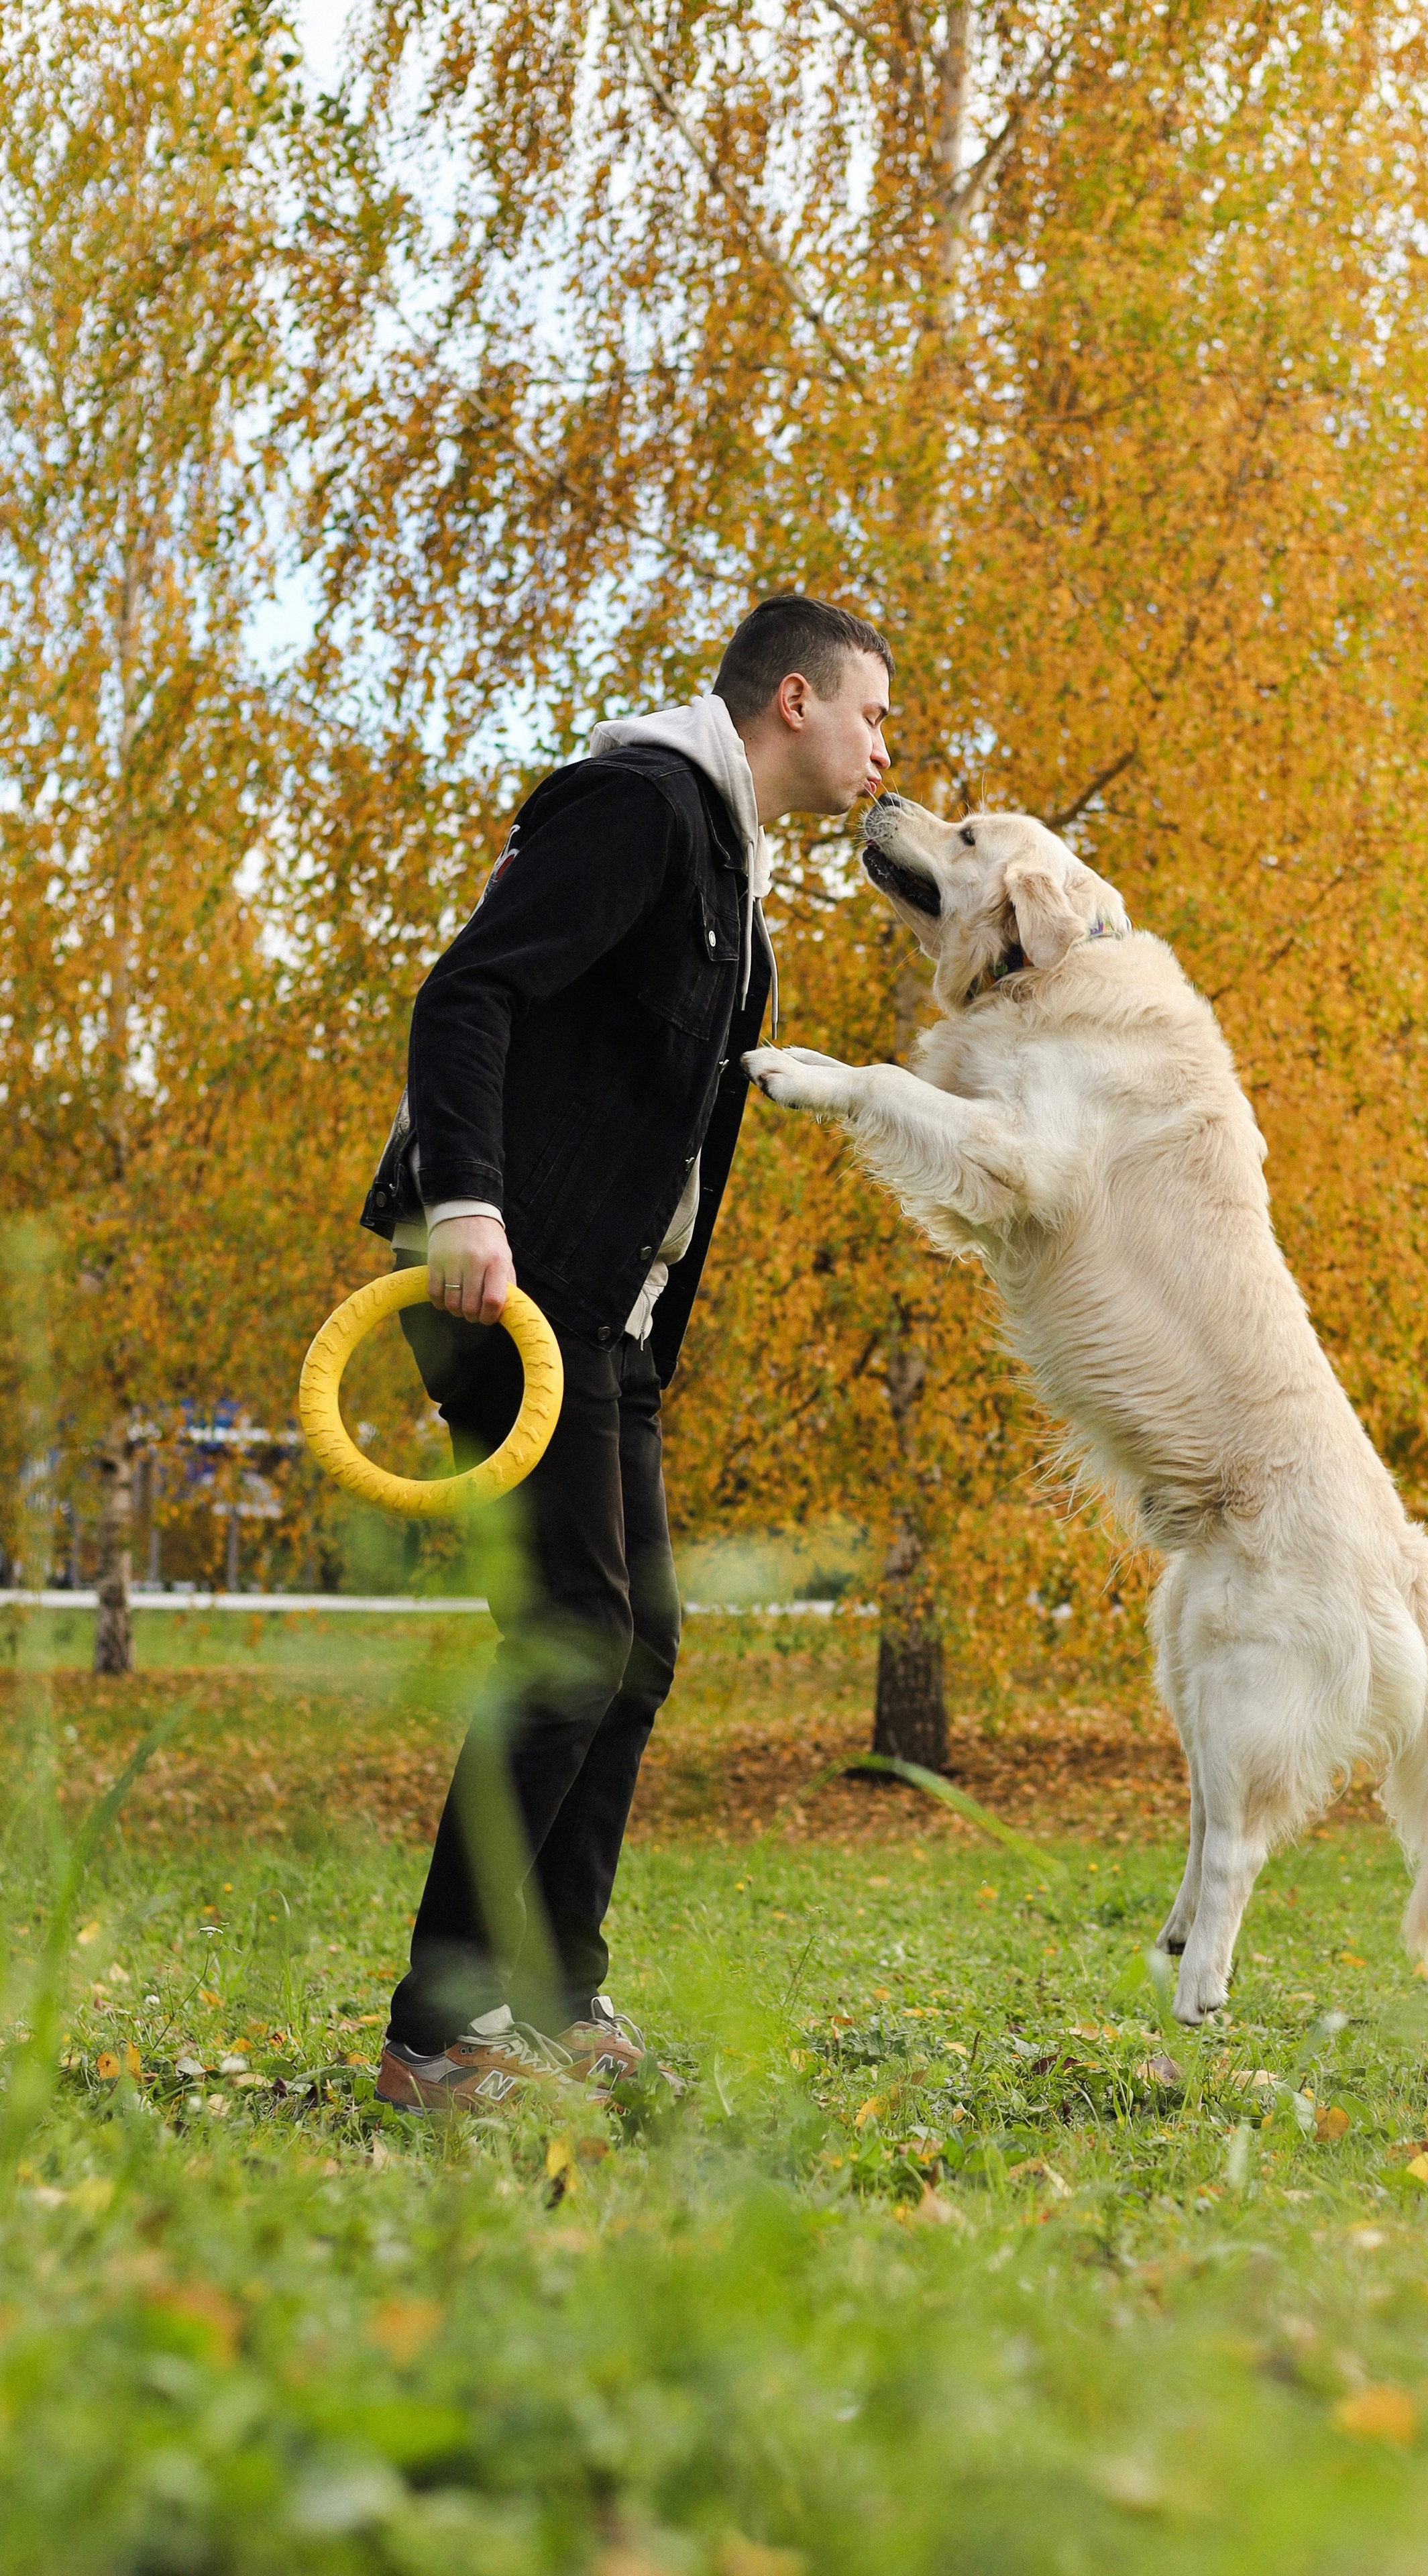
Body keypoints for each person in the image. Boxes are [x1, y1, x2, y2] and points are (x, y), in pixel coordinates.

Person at [362, 594, 894, 2114]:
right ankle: (435, 2034)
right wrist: (464, 1201)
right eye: (872, 716)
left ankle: (550, 1991)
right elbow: (467, 992)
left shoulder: (730, 870)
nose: (881, 749)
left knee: (634, 1645)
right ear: (793, 700)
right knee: (573, 1644)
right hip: (496, 1286)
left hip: (602, 1311)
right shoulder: (641, 804)